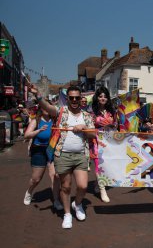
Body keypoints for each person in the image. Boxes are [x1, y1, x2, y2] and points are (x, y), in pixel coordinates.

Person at [29, 84, 96, 229]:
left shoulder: (87, 116)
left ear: (80, 98)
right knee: (65, 187)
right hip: (63, 155)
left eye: (76, 98)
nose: (74, 100)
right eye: (71, 97)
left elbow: (93, 134)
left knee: (83, 186)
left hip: (81, 155)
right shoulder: (61, 111)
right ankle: (67, 214)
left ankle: (77, 204)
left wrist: (84, 128)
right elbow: (47, 107)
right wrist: (37, 95)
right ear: (67, 98)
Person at [23, 102, 62, 211]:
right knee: (36, 179)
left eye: (48, 106)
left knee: (55, 176)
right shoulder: (37, 120)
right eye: (44, 107)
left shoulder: (55, 121)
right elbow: (26, 135)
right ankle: (29, 191)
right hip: (38, 150)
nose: (46, 109)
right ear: (41, 108)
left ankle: (56, 200)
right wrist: (39, 130)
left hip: (51, 150)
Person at [91, 86, 117, 203]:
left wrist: (112, 126)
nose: (103, 98)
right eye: (100, 96)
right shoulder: (91, 111)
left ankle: (97, 185)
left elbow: (116, 125)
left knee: (105, 164)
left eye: (105, 97)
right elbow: (88, 126)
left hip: (108, 140)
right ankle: (102, 190)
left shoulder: (112, 111)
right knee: (98, 164)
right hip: (96, 140)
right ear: (97, 98)